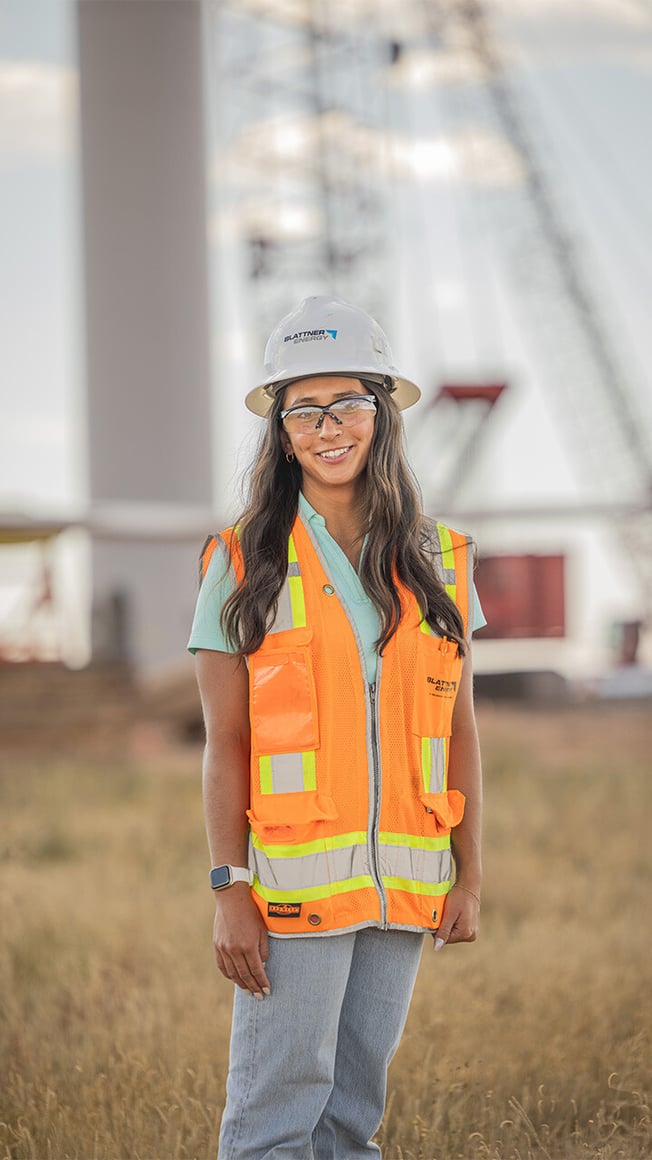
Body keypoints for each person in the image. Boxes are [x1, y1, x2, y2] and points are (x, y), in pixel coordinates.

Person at [188, 296, 484, 1160]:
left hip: (404, 887)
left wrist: (468, 877)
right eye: (303, 410)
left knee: (353, 1117)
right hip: (290, 893)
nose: (328, 427)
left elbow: (459, 729)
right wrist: (227, 887)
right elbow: (226, 744)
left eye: (348, 404)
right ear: (281, 433)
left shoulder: (443, 558)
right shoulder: (243, 560)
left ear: (382, 415)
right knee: (276, 1116)